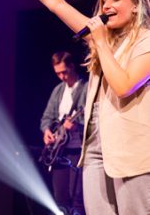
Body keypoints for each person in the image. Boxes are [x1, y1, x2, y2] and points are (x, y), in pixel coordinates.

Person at [8, 0, 150, 215]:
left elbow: (123, 86)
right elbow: (56, 4)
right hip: (96, 144)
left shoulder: (145, 41)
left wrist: (100, 41)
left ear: (135, 5)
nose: (106, 4)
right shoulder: (101, 39)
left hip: (133, 150)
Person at [40, 51, 87, 215]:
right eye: (58, 73)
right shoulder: (58, 90)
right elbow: (47, 117)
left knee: (77, 198)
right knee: (60, 197)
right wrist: (47, 131)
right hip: (60, 151)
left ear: (72, 67)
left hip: (78, 151)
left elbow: (93, 120)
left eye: (64, 72)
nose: (62, 76)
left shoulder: (86, 88)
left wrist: (77, 127)